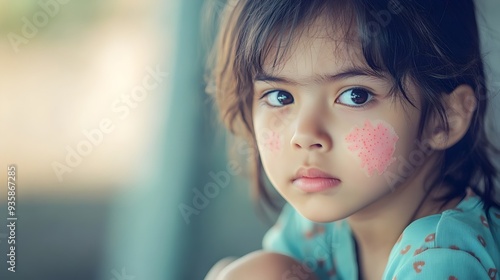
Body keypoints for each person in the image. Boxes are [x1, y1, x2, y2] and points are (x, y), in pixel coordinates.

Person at [204, 0, 500, 279]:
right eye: (280, 96)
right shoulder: (317, 229)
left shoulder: (447, 259)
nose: (304, 135)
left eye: (355, 96)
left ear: (444, 119)